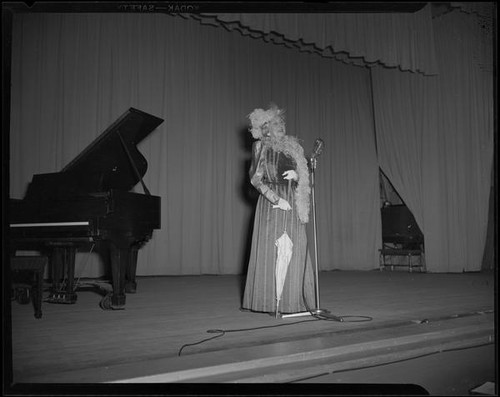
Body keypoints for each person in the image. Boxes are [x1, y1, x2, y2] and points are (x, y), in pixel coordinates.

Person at [242, 104, 316, 316]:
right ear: (266, 128)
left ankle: (293, 302)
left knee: (295, 250)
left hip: (293, 201)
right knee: (276, 252)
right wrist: (275, 199)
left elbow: (305, 176)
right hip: (273, 203)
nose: (281, 126)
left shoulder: (294, 147)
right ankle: (272, 303)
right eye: (275, 123)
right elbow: (255, 180)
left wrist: (298, 175)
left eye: (282, 122)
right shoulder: (261, 147)